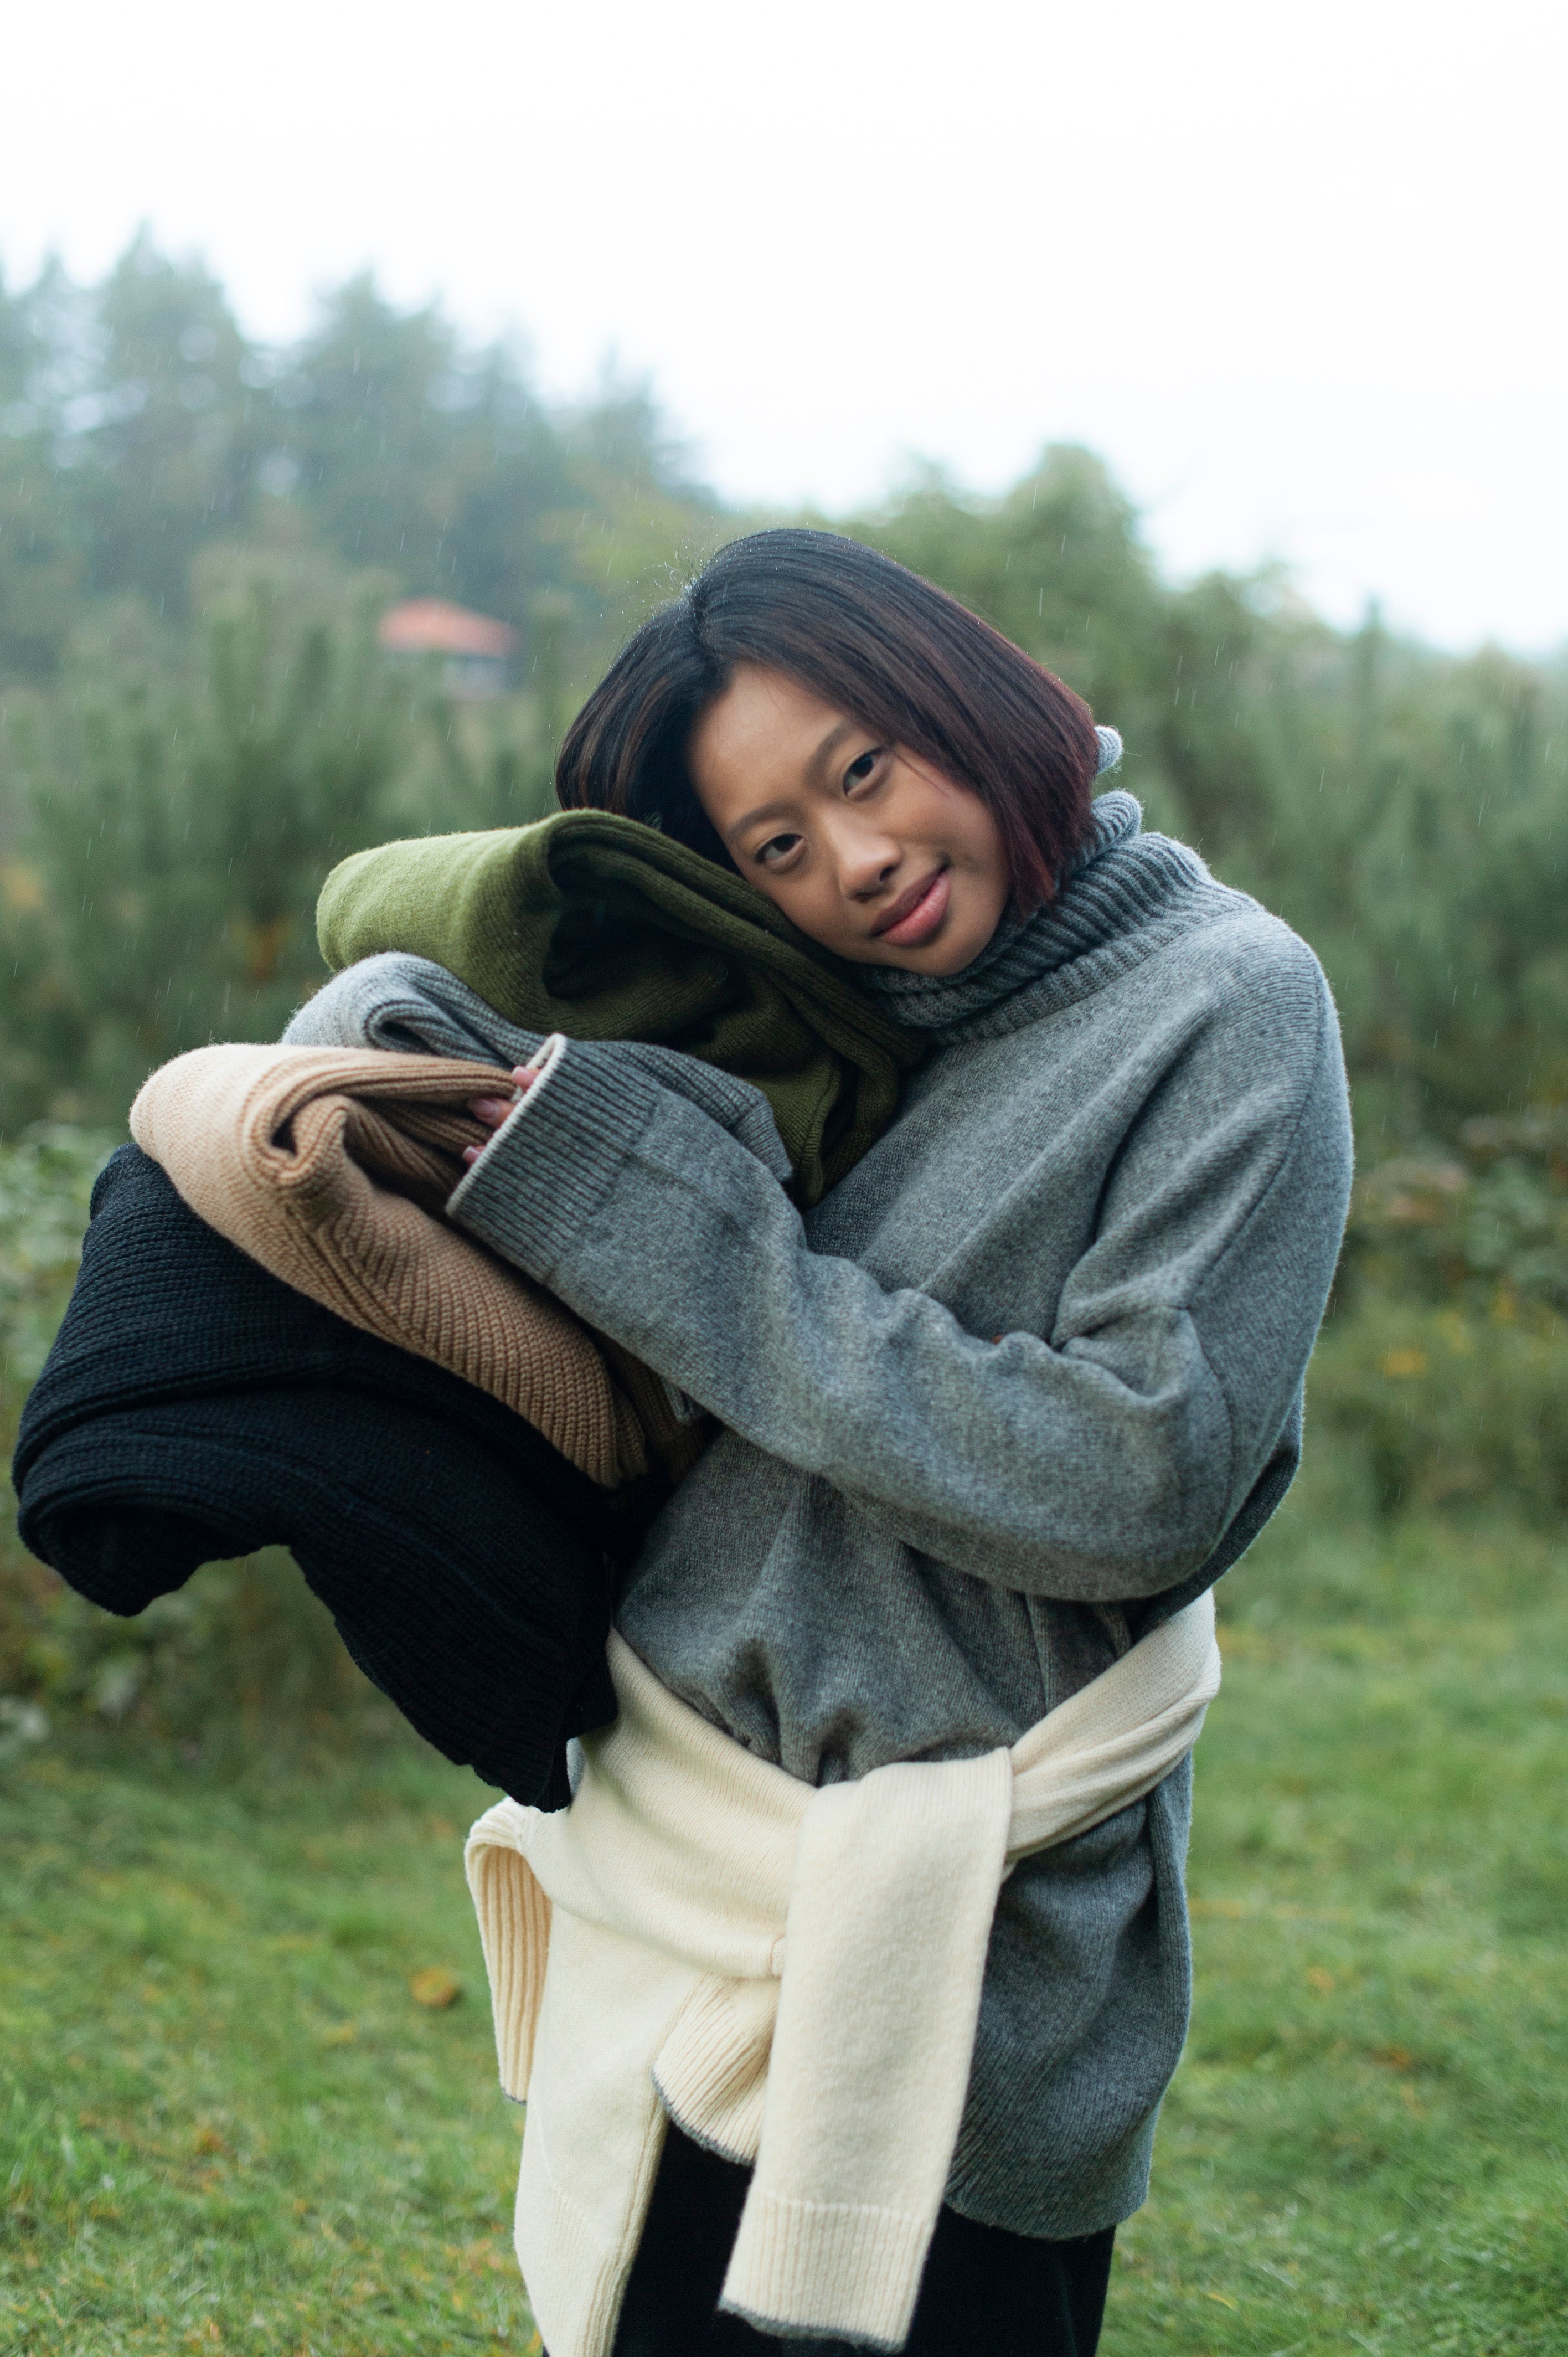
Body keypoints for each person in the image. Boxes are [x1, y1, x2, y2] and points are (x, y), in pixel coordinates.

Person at [453, 529, 1353, 2356]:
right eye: (777, 846)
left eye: (864, 770)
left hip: (969, 1951)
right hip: (679, 1871)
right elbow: (408, 1035)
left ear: (972, 697)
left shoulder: (1228, 1003)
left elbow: (1135, 1478)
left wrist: (690, 1252)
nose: (856, 863)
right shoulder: (808, 1021)